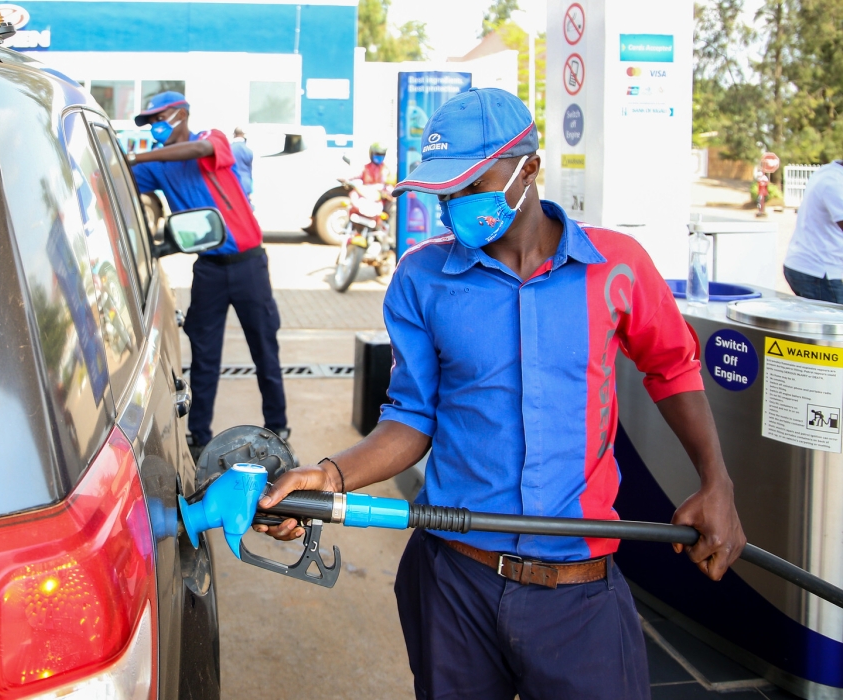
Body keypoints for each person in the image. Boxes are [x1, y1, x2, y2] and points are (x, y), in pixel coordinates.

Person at [256, 88, 746, 699]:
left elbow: (672, 367)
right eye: (443, 193)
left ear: (529, 169)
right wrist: (329, 477)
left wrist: (716, 483)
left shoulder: (617, 267)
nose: (453, 206)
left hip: (580, 590)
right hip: (454, 581)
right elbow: (411, 416)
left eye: (470, 186)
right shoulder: (419, 278)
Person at [128, 92, 289, 459]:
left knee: (265, 350)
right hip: (208, 270)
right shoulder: (158, 168)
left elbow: (199, 150)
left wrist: (137, 156)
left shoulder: (210, 139)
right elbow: (117, 180)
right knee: (204, 356)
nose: (155, 127)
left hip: (249, 266)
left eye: (160, 118)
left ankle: (277, 426)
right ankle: (199, 435)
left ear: (181, 114)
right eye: (150, 122)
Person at [783, 159, 843, 303]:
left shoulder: (827, 172)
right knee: (835, 316)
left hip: (807, 266)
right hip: (818, 272)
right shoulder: (834, 183)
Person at [231, 127, 255, 201]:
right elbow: (250, 171)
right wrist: (250, 190)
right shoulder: (249, 151)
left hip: (233, 184)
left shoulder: (229, 149)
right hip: (246, 184)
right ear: (243, 135)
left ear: (234, 134)